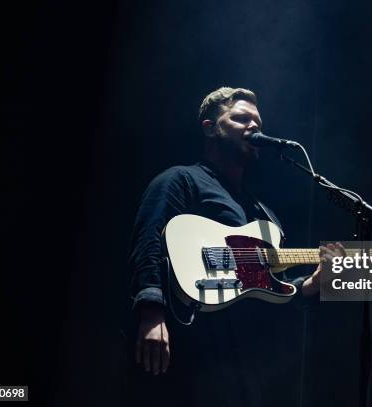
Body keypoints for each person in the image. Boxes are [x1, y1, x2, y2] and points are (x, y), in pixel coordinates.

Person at [126, 87, 343, 406]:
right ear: (210, 127)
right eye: (241, 118)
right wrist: (151, 313)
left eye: (257, 121)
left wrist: (310, 286)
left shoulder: (264, 215)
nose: (254, 126)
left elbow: (263, 291)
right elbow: (148, 241)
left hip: (241, 365)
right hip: (189, 343)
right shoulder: (181, 180)